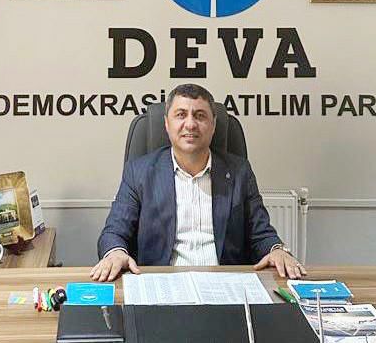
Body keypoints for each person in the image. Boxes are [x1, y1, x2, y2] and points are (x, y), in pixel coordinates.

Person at [92, 84, 306, 282]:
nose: (190, 124)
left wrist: (276, 250)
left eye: (200, 115)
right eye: (181, 115)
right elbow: (114, 232)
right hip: (162, 282)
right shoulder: (139, 172)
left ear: (213, 125)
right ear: (166, 124)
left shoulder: (239, 172)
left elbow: (261, 233)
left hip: (225, 284)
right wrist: (116, 252)